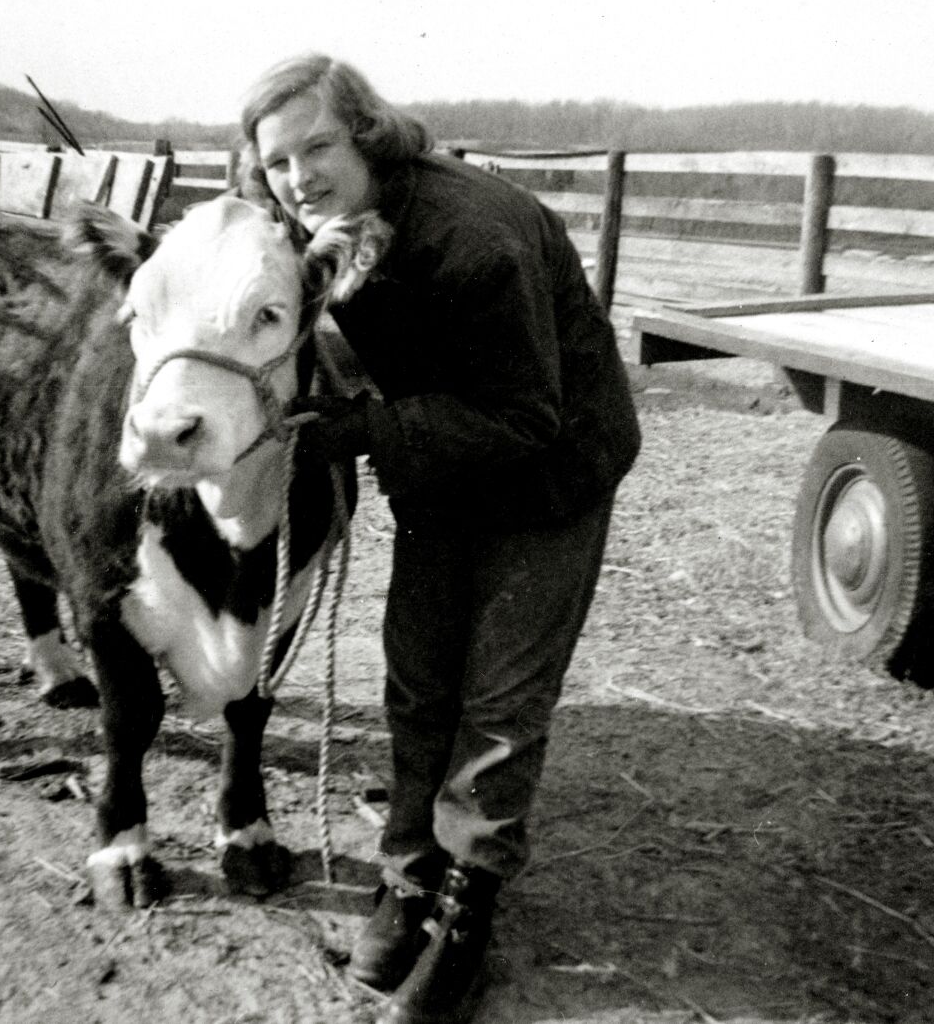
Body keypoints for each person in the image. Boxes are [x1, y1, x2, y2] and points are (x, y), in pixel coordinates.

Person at [238, 54, 641, 1024]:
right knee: (419, 679)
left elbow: (524, 417)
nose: (301, 177)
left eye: (319, 146)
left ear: (366, 132)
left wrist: (364, 431)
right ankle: (409, 876)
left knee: (499, 699)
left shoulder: (474, 236)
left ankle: (466, 911)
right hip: (442, 463)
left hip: (548, 472)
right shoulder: (322, 232)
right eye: (280, 162)